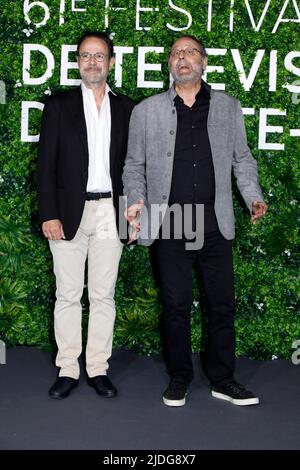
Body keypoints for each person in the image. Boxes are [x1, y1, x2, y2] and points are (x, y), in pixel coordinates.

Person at [122, 35, 267, 407]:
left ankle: (223, 378)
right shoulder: (146, 111)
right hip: (169, 223)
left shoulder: (228, 107)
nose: (182, 58)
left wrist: (253, 195)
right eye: (175, 53)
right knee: (176, 306)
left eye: (190, 52)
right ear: (169, 64)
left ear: (204, 61)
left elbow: (242, 159)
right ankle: (180, 376)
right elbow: (134, 166)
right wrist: (137, 201)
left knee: (222, 304)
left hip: (215, 222)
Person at [37, 31, 134, 399]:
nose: (92, 62)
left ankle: (97, 368)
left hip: (111, 210)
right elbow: (45, 165)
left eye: (99, 56)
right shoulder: (59, 106)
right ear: (78, 62)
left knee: (103, 295)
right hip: (66, 214)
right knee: (67, 294)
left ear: (111, 62)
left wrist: (133, 214)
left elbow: (134, 166)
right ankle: (67, 368)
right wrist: (49, 213)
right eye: (85, 56)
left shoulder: (127, 108)